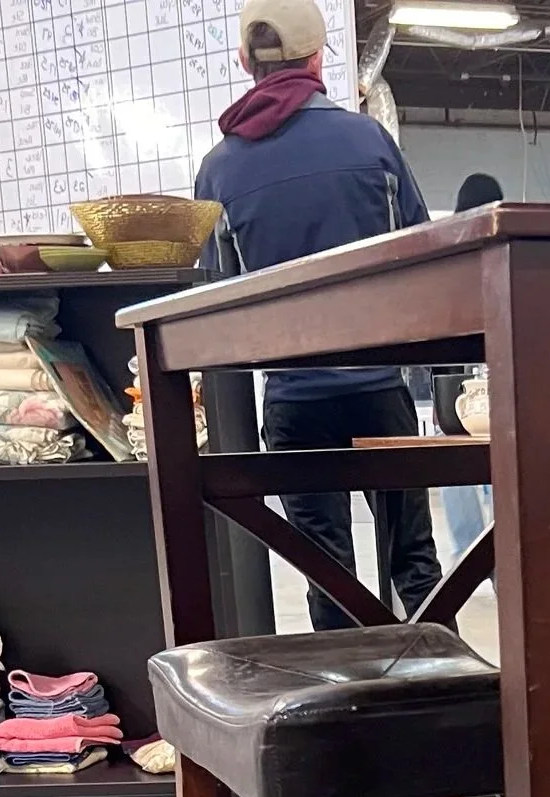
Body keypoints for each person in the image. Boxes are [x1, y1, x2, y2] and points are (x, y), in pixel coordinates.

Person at [194, 0, 441, 629]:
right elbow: (419, 252)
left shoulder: (219, 169)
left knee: (326, 566)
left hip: (293, 400)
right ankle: (447, 701)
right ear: (318, 57)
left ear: (245, 62)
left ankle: (346, 714)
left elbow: (216, 290)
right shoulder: (368, 140)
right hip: (380, 388)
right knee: (412, 558)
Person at [431, 172, 504, 566]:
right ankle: (488, 557)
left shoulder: (450, 251)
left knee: (461, 465)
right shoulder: (501, 246)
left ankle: (474, 559)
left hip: (460, 379)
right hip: (484, 374)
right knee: (490, 467)